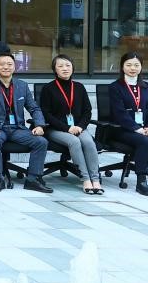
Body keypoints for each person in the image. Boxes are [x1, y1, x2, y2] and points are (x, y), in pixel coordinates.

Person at [0, 52, 51, 193]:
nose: (6, 67)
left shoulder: (22, 85)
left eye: (9, 64)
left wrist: (40, 125)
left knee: (41, 142)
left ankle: (32, 179)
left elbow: (34, 108)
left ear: (14, 67)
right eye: (2, 64)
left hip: (17, 128)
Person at [108, 52, 148, 196]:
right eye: (129, 65)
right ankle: (141, 181)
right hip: (122, 129)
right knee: (144, 141)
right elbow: (119, 113)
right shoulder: (115, 87)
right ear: (122, 66)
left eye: (136, 65)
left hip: (145, 128)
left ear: (141, 67)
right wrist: (136, 128)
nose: (133, 68)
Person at [39, 54, 101, 194]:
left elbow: (87, 111)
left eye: (68, 65)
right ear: (55, 69)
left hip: (78, 127)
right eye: (60, 66)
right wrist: (67, 128)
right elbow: (46, 114)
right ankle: (85, 179)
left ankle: (95, 179)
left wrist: (80, 126)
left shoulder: (79, 87)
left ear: (73, 68)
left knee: (89, 142)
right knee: (74, 141)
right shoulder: (48, 88)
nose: (65, 68)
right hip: (55, 129)